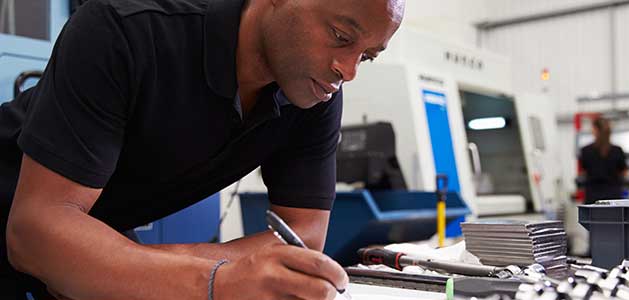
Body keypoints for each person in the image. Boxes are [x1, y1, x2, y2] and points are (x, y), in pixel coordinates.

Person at [0, 0, 405, 298]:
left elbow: (303, 236)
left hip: (92, 233)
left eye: (366, 57)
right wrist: (214, 279)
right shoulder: (126, 28)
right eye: (341, 37)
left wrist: (149, 266)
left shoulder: (315, 94)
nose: (347, 71)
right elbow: (34, 232)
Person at [580, 117, 629, 204]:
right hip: (613, 199)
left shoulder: (585, 151)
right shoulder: (617, 150)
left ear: (595, 130)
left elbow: (583, 172)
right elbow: (624, 173)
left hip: (592, 198)